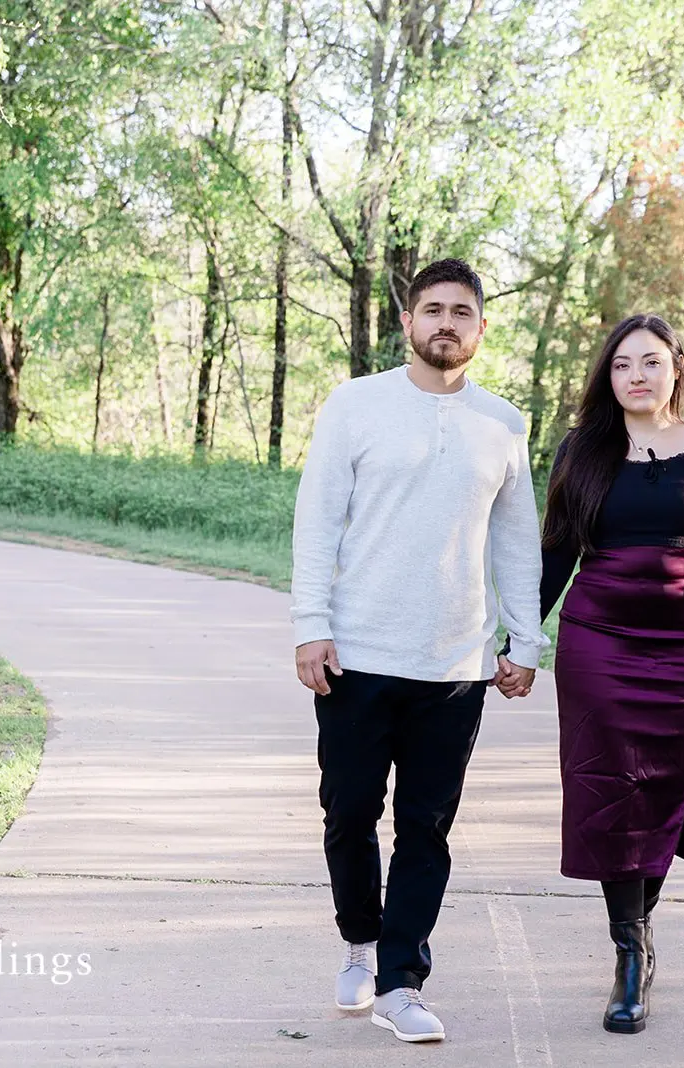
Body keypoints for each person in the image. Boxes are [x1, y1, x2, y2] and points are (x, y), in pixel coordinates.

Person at [290, 258, 548, 1044]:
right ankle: (361, 945)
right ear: (407, 322)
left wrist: (526, 640)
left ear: (479, 326)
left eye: (461, 312)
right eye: (432, 309)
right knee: (348, 815)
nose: (446, 323)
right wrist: (310, 622)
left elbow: (516, 541)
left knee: (426, 827)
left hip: (455, 667)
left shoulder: (503, 422)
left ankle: (403, 981)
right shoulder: (356, 404)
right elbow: (317, 517)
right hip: (356, 656)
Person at [539, 313, 684, 1035]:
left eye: (651, 362)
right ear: (608, 375)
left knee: (666, 788)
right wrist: (517, 640)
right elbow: (555, 554)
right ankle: (629, 954)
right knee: (610, 792)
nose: (636, 374)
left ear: (675, 368)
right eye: (623, 363)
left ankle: (642, 926)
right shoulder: (582, 449)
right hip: (597, 643)